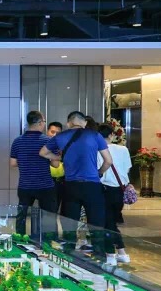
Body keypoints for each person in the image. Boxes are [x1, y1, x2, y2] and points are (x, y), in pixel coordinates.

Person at [39, 111, 112, 258]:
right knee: (96, 222)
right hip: (92, 185)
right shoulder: (95, 135)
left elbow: (43, 153)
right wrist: (99, 173)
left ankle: (69, 254)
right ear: (84, 122)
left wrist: (58, 158)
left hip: (71, 185)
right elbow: (108, 161)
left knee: (69, 222)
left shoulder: (60, 137)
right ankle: (99, 255)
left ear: (68, 123)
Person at [9, 111, 58, 238]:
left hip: (25, 185)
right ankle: (47, 240)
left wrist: (27, 162)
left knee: (22, 215)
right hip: (45, 185)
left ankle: (20, 239)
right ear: (40, 123)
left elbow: (13, 163)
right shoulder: (48, 141)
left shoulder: (17, 141)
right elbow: (55, 164)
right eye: (44, 121)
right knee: (48, 215)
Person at [98, 122, 133, 266]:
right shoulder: (123, 149)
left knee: (107, 223)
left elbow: (98, 170)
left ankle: (111, 254)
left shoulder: (97, 150)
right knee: (111, 222)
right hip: (120, 190)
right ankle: (121, 252)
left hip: (104, 189)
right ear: (111, 135)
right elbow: (127, 168)